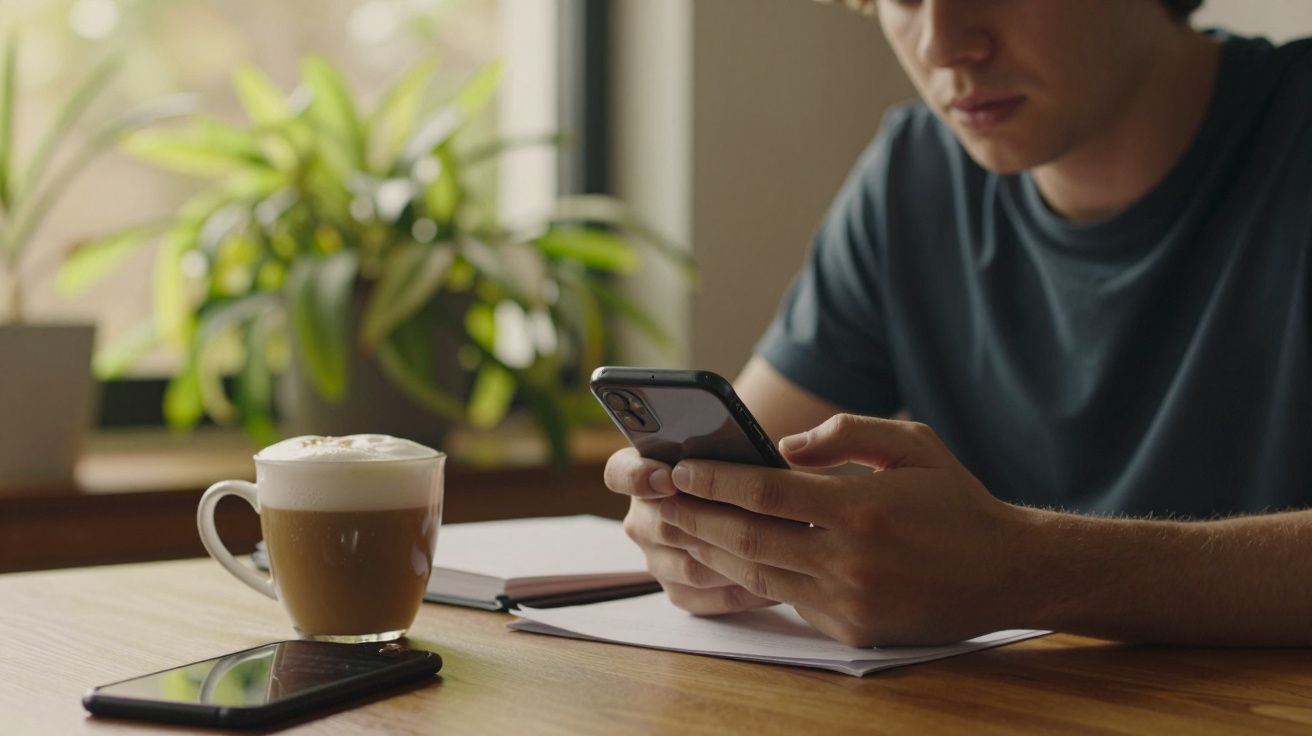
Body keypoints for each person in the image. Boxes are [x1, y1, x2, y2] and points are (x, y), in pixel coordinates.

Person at [604, 0, 1312, 648]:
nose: (943, 45)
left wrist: (1033, 570)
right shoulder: (914, 177)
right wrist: (698, 532)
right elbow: (748, 457)